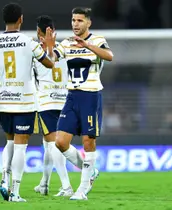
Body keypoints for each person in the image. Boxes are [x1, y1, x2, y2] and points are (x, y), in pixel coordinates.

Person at [0, 3, 55, 202]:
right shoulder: (29, 42)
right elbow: (49, 63)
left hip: (3, 100)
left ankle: (3, 179)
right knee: (20, 146)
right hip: (24, 100)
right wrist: (50, 45)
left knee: (9, 141)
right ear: (21, 19)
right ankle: (15, 192)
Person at [47, 7, 114, 200]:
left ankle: (82, 190)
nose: (75, 24)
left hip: (91, 96)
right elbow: (51, 61)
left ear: (88, 23)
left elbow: (109, 56)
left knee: (88, 141)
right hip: (72, 96)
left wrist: (87, 45)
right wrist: (50, 47)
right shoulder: (67, 43)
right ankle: (90, 170)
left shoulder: (98, 40)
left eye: (79, 20)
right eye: (73, 20)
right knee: (60, 142)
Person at [32, 15, 73, 197]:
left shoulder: (36, 52)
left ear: (39, 32)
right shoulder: (64, 49)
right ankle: (44, 183)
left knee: (52, 145)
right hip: (64, 101)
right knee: (48, 144)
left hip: (46, 102)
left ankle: (67, 186)